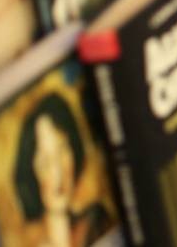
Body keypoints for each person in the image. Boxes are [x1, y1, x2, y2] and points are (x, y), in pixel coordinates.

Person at [13, 93, 112, 247]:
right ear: (31, 172)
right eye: (45, 162)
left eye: (62, 150)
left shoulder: (95, 222)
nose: (58, 172)